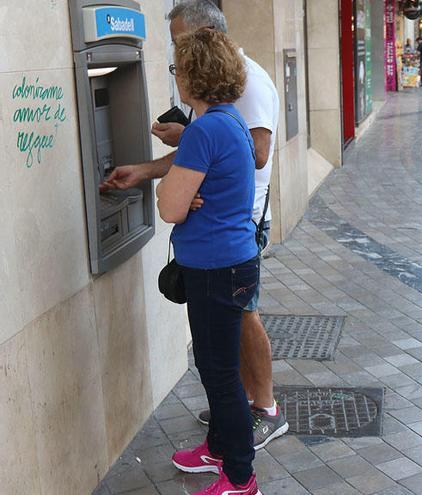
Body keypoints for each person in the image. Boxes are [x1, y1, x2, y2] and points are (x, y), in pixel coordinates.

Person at [101, 0, 286, 449]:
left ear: (206, 38)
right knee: (226, 338)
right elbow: (211, 153)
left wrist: (192, 140)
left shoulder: (249, 86)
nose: (176, 60)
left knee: (240, 322)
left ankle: (263, 411)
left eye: (180, 45)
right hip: (221, 228)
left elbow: (254, 152)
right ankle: (234, 413)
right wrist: (149, 169)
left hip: (236, 224)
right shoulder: (219, 100)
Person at [153, 27, 260, 495]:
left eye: (177, 69)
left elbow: (170, 208)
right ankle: (217, 449)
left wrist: (169, 188)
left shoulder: (204, 130)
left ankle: (239, 476)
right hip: (233, 262)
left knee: (219, 373)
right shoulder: (228, 120)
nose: (176, 77)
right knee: (219, 366)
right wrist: (188, 188)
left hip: (215, 270)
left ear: (190, 76)